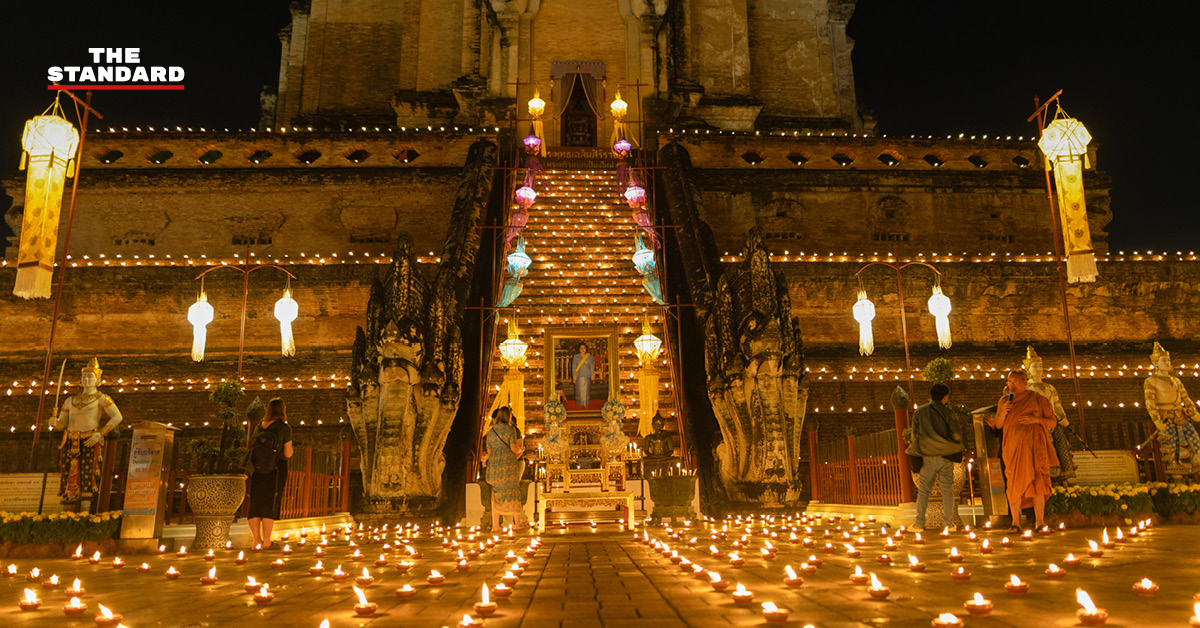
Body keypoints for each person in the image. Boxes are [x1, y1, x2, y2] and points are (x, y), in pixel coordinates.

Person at [50, 358, 123, 512]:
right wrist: (55, 423)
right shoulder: (71, 400)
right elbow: (63, 422)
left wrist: (100, 434)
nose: (87, 379)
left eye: (90, 376)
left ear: (98, 380)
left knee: (87, 473)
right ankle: (67, 512)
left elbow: (117, 417)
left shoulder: (102, 398)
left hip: (90, 437)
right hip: (70, 438)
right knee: (68, 472)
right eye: (84, 377)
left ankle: (85, 511)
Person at [992, 370, 1058, 532]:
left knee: (1038, 484)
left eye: (1015, 381)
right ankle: (1015, 522)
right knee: (1014, 484)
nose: (1011, 385)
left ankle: (1040, 522)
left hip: (1035, 449)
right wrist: (1005, 412)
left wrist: (1036, 420)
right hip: (1013, 449)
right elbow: (998, 425)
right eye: (1009, 382)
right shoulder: (1004, 401)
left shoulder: (1038, 399)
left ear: (1024, 382)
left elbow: (1052, 422)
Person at [907, 383, 965, 530]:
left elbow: (915, 435)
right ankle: (948, 523)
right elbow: (957, 435)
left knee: (924, 490)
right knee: (947, 490)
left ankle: (919, 523)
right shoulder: (949, 413)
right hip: (946, 456)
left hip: (927, 457)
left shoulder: (920, 412)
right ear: (945, 397)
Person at [246, 398, 293, 548]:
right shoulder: (284, 428)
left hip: (257, 469)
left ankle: (256, 541)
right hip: (276, 469)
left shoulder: (259, 427)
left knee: (255, 503)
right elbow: (287, 453)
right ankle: (267, 541)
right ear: (282, 410)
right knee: (270, 502)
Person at [483, 406, 526, 530]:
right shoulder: (510, 429)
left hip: (495, 466)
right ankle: (517, 524)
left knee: (496, 494)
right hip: (508, 465)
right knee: (513, 491)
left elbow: (489, 452)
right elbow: (513, 448)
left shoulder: (491, 432)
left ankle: (496, 525)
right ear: (508, 416)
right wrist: (521, 449)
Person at [571, 342, 595, 408]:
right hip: (579, 375)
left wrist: (592, 374)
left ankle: (586, 403)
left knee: (586, 390)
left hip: (587, 375)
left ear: (586, 349)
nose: (583, 349)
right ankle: (579, 403)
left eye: (584, 348)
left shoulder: (590, 357)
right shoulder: (576, 357)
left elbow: (591, 366)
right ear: (579, 349)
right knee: (579, 390)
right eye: (581, 348)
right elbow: (574, 366)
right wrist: (574, 375)